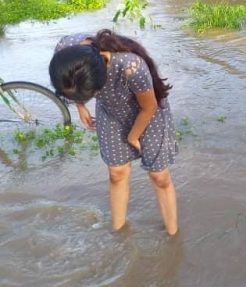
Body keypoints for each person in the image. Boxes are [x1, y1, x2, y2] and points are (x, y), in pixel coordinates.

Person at [49, 29, 178, 235]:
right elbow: (67, 81)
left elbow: (149, 107)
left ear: (101, 76)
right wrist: (80, 104)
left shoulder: (129, 66)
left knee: (159, 177)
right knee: (117, 174)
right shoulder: (66, 49)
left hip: (147, 114)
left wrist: (133, 136)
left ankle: (173, 234)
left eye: (89, 93)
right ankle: (119, 233)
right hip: (110, 112)